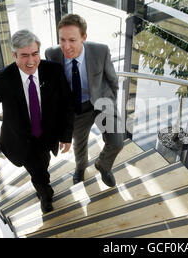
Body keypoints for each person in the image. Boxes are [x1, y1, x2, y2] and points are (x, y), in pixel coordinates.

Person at [0, 29, 74, 213]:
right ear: (14, 55)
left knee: (43, 164)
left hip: (47, 134)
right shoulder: (2, 79)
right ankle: (45, 194)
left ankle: (43, 186)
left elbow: (67, 104)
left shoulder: (53, 70)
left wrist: (66, 136)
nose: (31, 61)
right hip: (20, 139)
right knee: (38, 171)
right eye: (24, 55)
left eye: (35, 54)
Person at [45, 14, 124, 187]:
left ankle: (103, 165)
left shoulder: (100, 51)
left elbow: (112, 80)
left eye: (72, 40)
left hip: (101, 101)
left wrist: (111, 104)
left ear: (84, 37)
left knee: (117, 141)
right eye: (62, 39)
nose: (66, 46)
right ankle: (80, 168)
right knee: (79, 144)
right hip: (75, 108)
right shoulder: (52, 54)